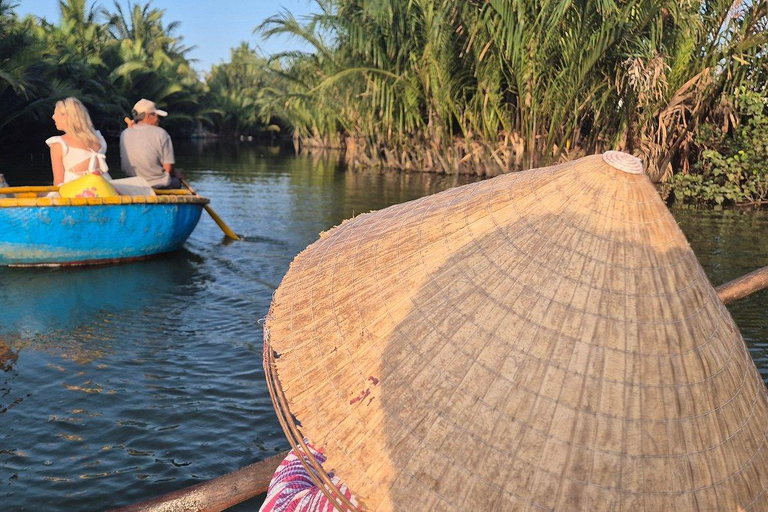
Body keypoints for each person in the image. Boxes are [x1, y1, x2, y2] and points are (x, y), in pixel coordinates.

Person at [46, 97, 111, 186]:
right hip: (105, 188)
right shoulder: (99, 139)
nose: (53, 117)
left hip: (76, 192)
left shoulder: (59, 144)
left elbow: (58, 182)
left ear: (65, 116)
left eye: (55, 113)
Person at [119, 98, 182, 189]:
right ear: (148, 116)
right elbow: (168, 169)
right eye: (157, 116)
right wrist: (176, 174)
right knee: (177, 181)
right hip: (158, 184)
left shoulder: (124, 133)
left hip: (133, 183)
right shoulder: (161, 133)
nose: (158, 120)